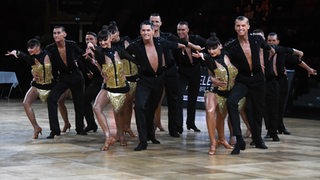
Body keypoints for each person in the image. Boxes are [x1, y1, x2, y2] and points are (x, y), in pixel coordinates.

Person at [126, 20, 186, 150]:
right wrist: (135, 61)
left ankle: (151, 135)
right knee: (140, 107)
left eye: (148, 30)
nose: (146, 33)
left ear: (153, 31)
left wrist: (193, 47)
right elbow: (123, 53)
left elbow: (177, 44)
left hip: (159, 80)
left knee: (151, 109)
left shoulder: (161, 42)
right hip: (143, 81)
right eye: (143, 30)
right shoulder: (136, 45)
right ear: (140, 32)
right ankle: (143, 141)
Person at [225, 16, 274, 154]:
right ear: (235, 27)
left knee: (258, 111)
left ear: (248, 26)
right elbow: (222, 58)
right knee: (231, 102)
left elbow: (270, 49)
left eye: (243, 26)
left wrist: (266, 62)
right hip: (243, 80)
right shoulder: (231, 45)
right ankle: (239, 138)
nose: (240, 28)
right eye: (238, 26)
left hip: (258, 79)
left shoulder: (257, 39)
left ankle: (258, 139)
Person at [5, 38, 71, 138]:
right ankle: (36, 127)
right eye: (28, 48)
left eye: (32, 47)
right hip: (37, 85)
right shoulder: (31, 58)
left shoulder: (49, 54)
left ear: (38, 47)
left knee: (60, 102)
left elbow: (59, 64)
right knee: (26, 103)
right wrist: (15, 52)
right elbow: (22, 54)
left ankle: (66, 123)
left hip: (52, 85)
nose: (29, 50)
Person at [150, 13, 203, 137]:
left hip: (170, 71)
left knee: (174, 101)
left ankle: (174, 129)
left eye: (157, 22)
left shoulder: (167, 36)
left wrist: (194, 46)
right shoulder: (146, 38)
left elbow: (181, 41)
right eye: (152, 22)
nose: (154, 24)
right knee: (153, 101)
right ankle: (150, 128)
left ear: (161, 23)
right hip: (155, 73)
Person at [192, 32, 235, 155]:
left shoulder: (228, 54)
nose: (211, 51)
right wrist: (212, 79)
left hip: (228, 91)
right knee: (210, 111)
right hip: (213, 90)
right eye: (209, 49)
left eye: (214, 48)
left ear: (220, 46)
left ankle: (221, 139)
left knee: (221, 117)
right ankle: (213, 142)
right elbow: (206, 59)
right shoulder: (208, 58)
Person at [266, 32, 317, 136]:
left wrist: (309, 69)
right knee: (271, 106)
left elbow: (298, 61)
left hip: (281, 80)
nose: (271, 43)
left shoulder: (282, 52)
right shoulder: (263, 52)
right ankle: (271, 130)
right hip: (270, 81)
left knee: (281, 105)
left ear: (278, 42)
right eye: (269, 41)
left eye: (273, 41)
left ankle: (280, 126)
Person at [89, 28, 130, 150]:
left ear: (110, 38)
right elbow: (96, 52)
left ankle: (121, 135)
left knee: (118, 112)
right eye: (100, 40)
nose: (102, 43)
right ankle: (108, 136)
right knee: (96, 107)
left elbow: (133, 60)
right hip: (108, 86)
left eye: (105, 39)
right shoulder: (99, 52)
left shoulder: (119, 51)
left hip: (122, 86)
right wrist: (91, 48)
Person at [45, 25, 87, 138]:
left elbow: (83, 56)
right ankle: (54, 130)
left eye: (58, 33)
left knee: (79, 103)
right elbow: (43, 59)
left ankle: (79, 128)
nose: (56, 35)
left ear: (64, 34)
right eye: (54, 33)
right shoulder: (50, 48)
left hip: (76, 76)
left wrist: (88, 69)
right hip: (63, 78)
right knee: (51, 99)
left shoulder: (71, 44)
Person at [174, 20, 207, 134]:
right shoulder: (175, 41)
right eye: (178, 30)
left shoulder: (196, 39)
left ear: (188, 30)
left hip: (195, 70)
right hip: (182, 71)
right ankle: (178, 126)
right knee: (178, 97)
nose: (180, 32)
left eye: (183, 29)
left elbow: (208, 46)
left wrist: (202, 56)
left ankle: (191, 123)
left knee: (193, 98)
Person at [107, 21, 137, 138]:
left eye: (113, 32)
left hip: (134, 76)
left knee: (129, 104)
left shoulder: (126, 40)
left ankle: (127, 127)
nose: (112, 35)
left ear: (118, 32)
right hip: (120, 79)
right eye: (110, 33)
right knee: (120, 105)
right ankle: (119, 131)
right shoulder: (110, 46)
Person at [81, 31, 102, 133]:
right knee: (85, 99)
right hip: (97, 80)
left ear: (96, 40)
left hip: (107, 79)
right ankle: (91, 124)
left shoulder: (100, 50)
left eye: (91, 39)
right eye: (87, 39)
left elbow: (102, 69)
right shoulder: (86, 52)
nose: (88, 41)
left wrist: (93, 55)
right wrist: (88, 71)